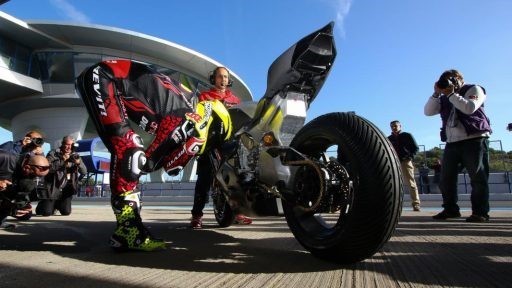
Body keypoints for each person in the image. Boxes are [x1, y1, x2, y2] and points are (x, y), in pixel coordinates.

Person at [75, 59, 233, 251]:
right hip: (103, 77)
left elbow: (160, 160)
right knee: (130, 151)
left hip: (106, 78)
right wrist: (180, 151)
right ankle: (128, 230)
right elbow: (150, 163)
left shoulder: (186, 105)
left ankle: (128, 229)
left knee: (129, 151)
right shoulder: (186, 115)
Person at [424, 69, 492, 222]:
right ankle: (450, 210)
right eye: (445, 80)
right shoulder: (444, 98)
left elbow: (469, 107)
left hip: (474, 139)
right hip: (452, 142)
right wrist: (436, 94)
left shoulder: (474, 89)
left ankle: (480, 212)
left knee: (477, 177)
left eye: (451, 79)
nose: (449, 83)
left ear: (460, 79)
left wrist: (451, 94)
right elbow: (428, 112)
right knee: (445, 179)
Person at [190, 67, 252, 229]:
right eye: (220, 77)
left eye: (225, 77)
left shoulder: (236, 100)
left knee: (235, 177)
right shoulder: (204, 97)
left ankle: (237, 213)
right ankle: (197, 216)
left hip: (229, 143)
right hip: (209, 143)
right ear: (213, 79)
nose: (223, 80)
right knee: (203, 180)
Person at [35, 136, 87, 216]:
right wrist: (62, 162)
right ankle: (43, 203)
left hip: (67, 187)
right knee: (46, 212)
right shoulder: (53, 153)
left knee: (66, 212)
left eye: (71, 145)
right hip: (53, 186)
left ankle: (57, 205)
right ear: (62, 144)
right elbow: (47, 168)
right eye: (67, 144)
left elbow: (84, 171)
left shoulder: (75, 155)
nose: (69, 147)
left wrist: (78, 163)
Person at [0, 154, 50, 229]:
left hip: (3, 192)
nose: (36, 179)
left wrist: (25, 203)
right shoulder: (5, 158)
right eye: (34, 176)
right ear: (27, 167)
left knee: (25, 213)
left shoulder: (27, 173)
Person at [388, 120, 421, 211]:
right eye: (392, 126)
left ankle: (416, 203)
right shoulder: (389, 138)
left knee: (411, 183)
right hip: (394, 163)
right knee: (394, 184)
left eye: (395, 126)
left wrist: (410, 157)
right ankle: (395, 205)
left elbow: (415, 148)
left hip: (405, 161)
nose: (394, 128)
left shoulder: (407, 135)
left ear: (400, 126)